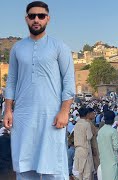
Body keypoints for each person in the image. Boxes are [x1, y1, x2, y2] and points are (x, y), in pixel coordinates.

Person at [3, 1, 75, 179]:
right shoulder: (17, 48)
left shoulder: (60, 47)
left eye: (41, 16)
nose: (36, 19)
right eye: (32, 16)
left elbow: (68, 80)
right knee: (25, 166)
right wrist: (8, 110)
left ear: (47, 19)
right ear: (26, 19)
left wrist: (64, 111)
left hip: (51, 115)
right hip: (24, 116)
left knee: (54, 167)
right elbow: (11, 80)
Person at [97, 110, 118, 180]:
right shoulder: (113, 131)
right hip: (112, 159)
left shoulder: (100, 131)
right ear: (113, 119)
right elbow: (116, 147)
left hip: (103, 159)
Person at [74, 108, 94, 180]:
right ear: (87, 114)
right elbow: (89, 137)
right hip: (85, 149)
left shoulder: (76, 124)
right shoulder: (86, 124)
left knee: (80, 172)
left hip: (77, 149)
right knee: (87, 172)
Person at [86, 108, 100, 172]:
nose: (94, 115)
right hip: (92, 147)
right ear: (88, 114)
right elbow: (90, 137)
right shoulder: (88, 123)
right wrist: (93, 149)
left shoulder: (90, 123)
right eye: (93, 114)